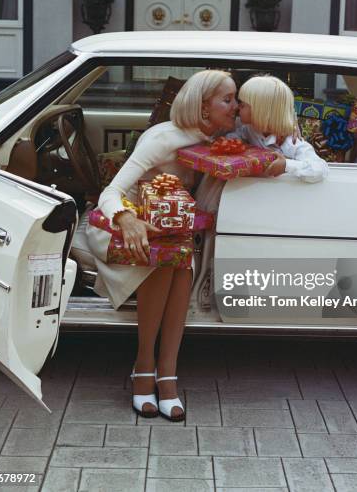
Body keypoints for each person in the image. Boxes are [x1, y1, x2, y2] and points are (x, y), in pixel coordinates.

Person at [86, 70, 239, 421]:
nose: (235, 107)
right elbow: (111, 192)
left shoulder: (218, 138)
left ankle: (165, 374)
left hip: (171, 232)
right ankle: (145, 368)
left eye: (236, 99)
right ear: (203, 107)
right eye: (227, 100)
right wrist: (127, 219)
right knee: (169, 260)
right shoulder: (164, 138)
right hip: (123, 226)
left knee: (178, 260)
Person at [233, 75, 329, 181]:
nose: (237, 107)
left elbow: (320, 169)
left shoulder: (289, 142)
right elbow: (233, 137)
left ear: (260, 111)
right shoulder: (249, 129)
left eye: (242, 105)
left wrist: (286, 165)